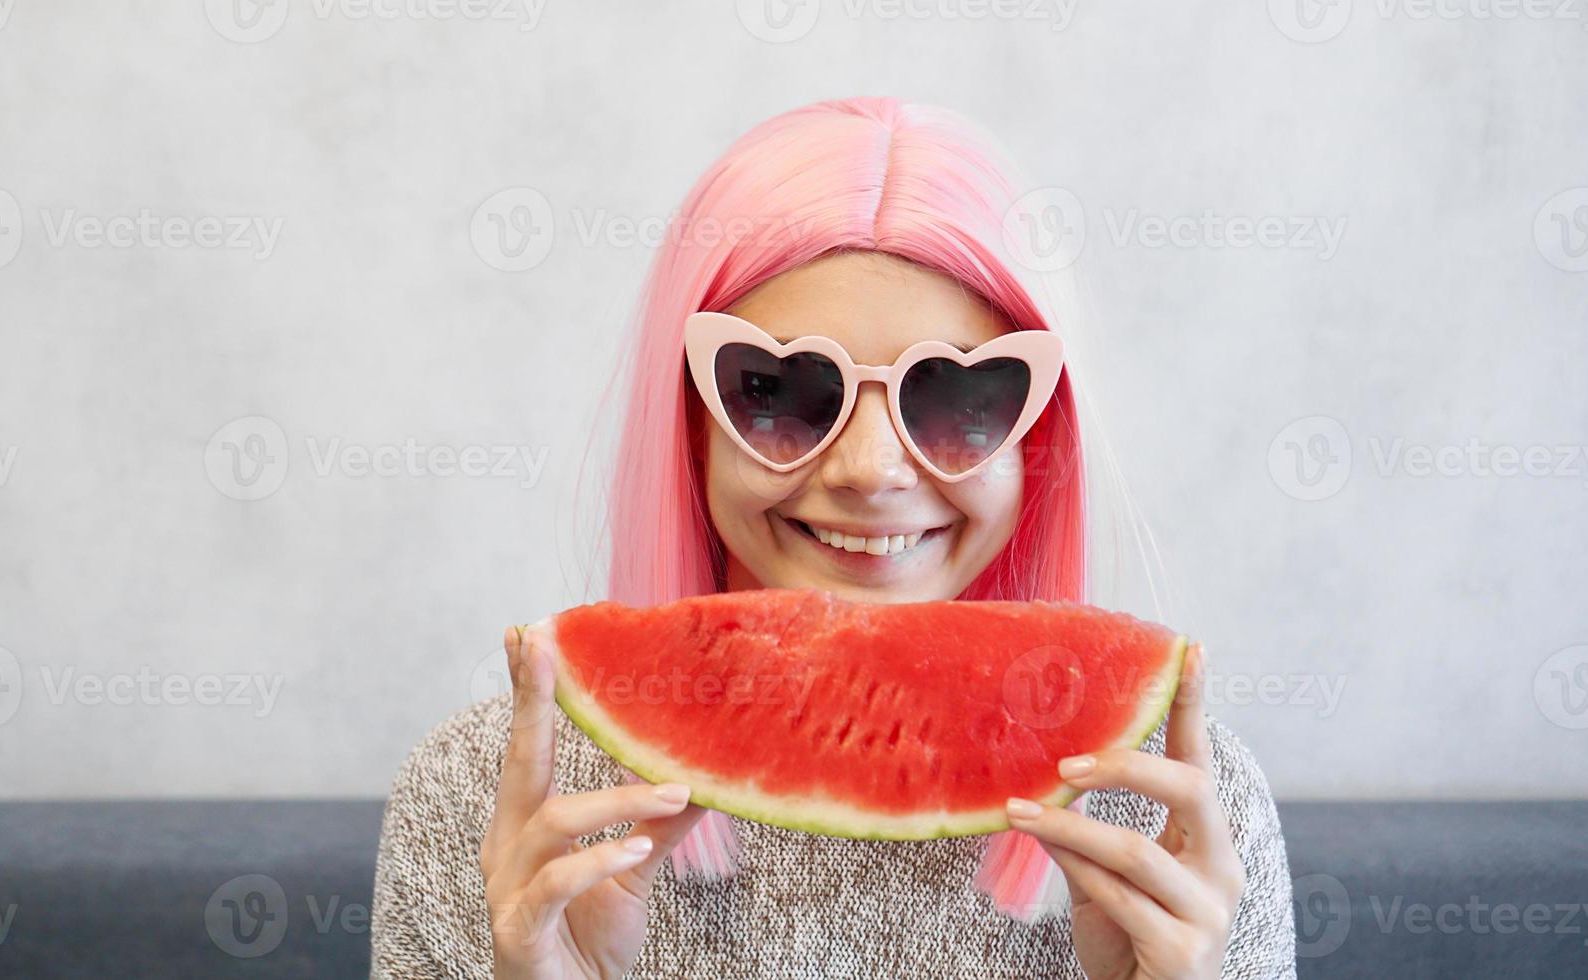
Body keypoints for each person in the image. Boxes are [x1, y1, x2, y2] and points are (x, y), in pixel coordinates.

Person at [371, 96, 1296, 979]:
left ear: (1036, 440)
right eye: (779, 389)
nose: (871, 469)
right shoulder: (485, 806)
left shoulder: (1182, 822)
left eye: (958, 395)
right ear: (687, 426)